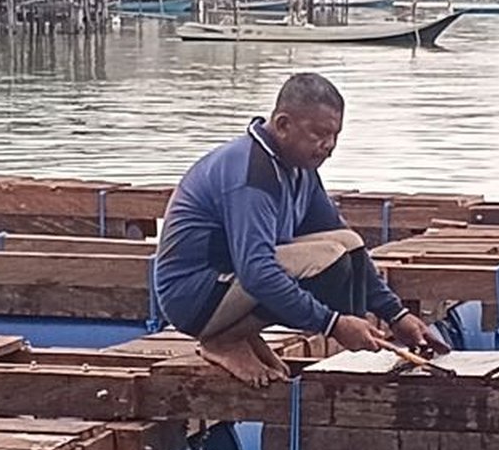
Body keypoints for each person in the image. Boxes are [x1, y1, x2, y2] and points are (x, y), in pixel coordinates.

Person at [155, 73, 449, 386]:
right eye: (320, 134)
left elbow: (347, 243)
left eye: (335, 135)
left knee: (347, 245)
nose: (330, 146)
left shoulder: (299, 170)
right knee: (330, 261)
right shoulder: (253, 175)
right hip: (193, 296)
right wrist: (332, 325)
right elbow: (256, 270)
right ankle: (223, 341)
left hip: (230, 283)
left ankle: (241, 334)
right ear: (283, 125)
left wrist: (396, 315)